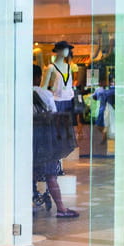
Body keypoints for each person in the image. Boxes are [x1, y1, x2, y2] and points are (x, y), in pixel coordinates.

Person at [32, 65, 79, 218]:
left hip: (26, 138)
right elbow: (53, 114)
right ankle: (61, 208)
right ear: (38, 78)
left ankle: (26, 203)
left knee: (28, 172)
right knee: (51, 175)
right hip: (44, 139)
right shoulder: (44, 94)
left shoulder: (17, 93)